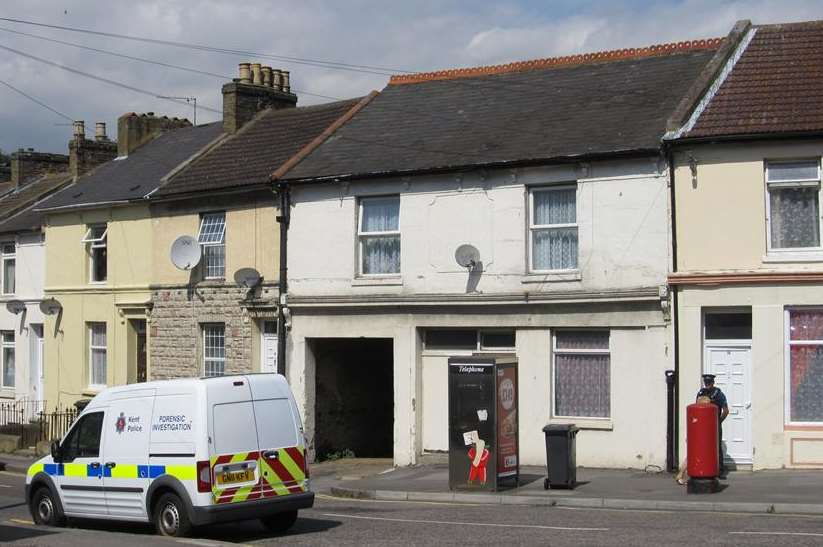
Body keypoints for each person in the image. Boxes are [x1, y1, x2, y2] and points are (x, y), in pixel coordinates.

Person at [696, 374, 729, 476]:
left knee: (716, 447)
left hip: (714, 425)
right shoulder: (701, 393)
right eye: (706, 383)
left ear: (713, 383)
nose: (707, 385)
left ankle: (720, 470)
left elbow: (726, 410)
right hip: (703, 426)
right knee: (703, 447)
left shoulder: (718, 394)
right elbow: (697, 407)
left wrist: (718, 422)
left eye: (709, 383)